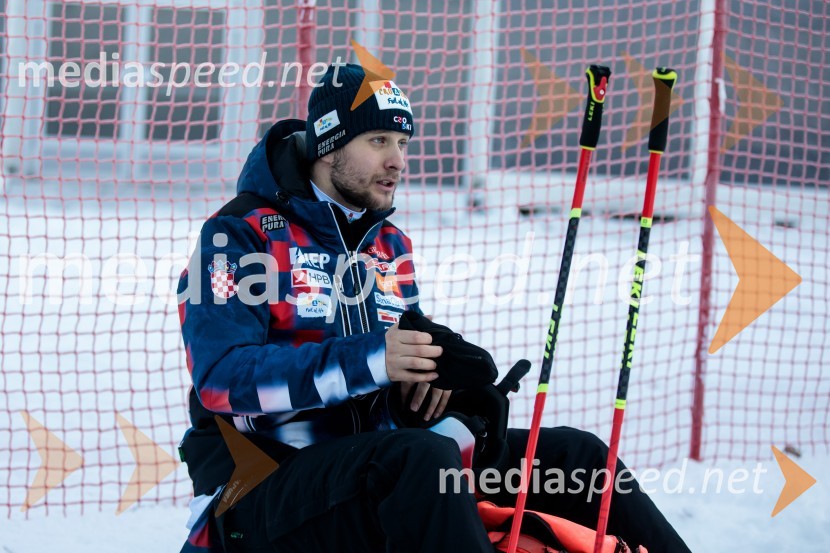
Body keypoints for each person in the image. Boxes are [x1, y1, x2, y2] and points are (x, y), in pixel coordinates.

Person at [176, 63, 691, 553]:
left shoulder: (389, 245)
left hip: (370, 471)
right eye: (378, 141)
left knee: (574, 457)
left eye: (402, 143)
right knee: (416, 461)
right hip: (256, 490)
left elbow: (386, 388)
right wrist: (374, 359)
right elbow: (222, 379)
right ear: (328, 143)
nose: (397, 159)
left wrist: (445, 392)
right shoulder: (238, 235)